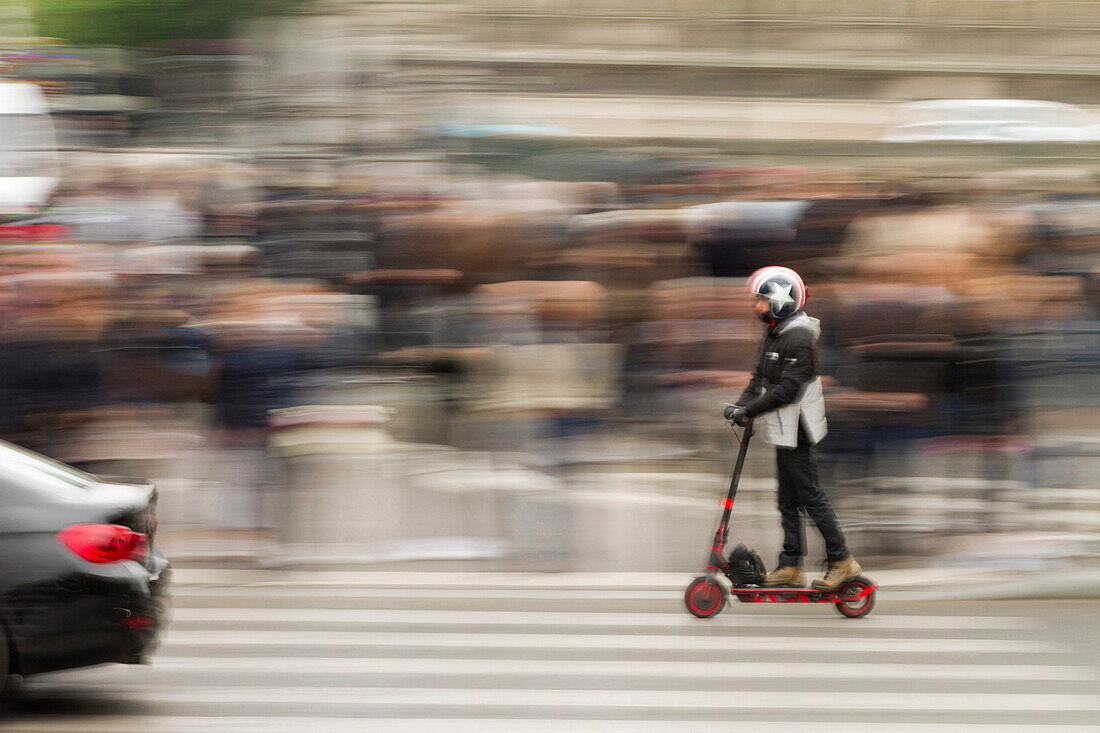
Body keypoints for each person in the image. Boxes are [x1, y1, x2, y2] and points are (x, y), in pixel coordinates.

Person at [723, 266, 861, 590]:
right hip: (782, 428)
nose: (757, 307)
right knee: (786, 498)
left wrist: (749, 410)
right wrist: (739, 407)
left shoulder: (799, 337)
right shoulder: (775, 330)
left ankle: (842, 560)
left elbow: (788, 390)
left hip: (798, 430)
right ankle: (791, 565)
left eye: (762, 300)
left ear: (782, 301)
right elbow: (758, 379)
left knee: (810, 497)